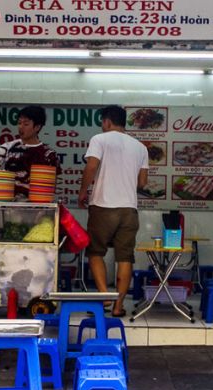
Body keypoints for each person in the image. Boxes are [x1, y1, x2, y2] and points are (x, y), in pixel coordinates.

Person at [78, 105, 149, 317]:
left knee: (96, 252)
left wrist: (83, 192)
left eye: (102, 122)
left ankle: (104, 296)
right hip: (129, 209)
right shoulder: (140, 147)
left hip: (103, 206)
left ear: (107, 121)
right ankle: (118, 306)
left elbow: (91, 167)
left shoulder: (99, 140)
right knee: (124, 257)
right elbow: (143, 183)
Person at [0, 105, 61, 200]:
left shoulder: (49, 154)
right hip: (7, 203)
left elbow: (50, 188)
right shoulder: (7, 148)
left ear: (37, 127)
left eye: (26, 124)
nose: (21, 127)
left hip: (35, 206)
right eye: (19, 123)